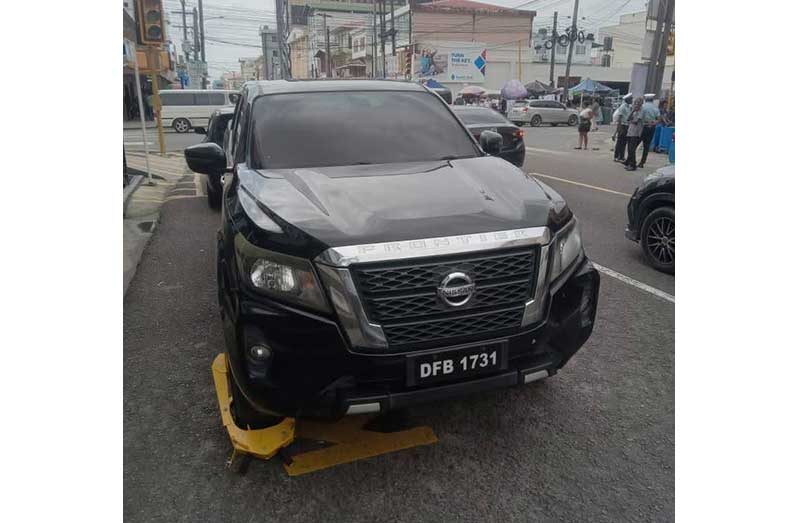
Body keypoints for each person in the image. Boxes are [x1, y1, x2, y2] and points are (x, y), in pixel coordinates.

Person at [638, 93, 659, 168]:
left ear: (645, 99)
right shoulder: (655, 107)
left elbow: (639, 118)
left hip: (642, 127)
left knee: (635, 144)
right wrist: (652, 123)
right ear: (652, 100)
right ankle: (642, 163)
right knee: (646, 146)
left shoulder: (642, 107)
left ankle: (631, 160)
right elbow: (658, 119)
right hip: (651, 128)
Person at [612, 93, 633, 163]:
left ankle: (621, 156)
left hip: (627, 126)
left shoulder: (629, 107)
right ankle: (616, 156)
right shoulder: (623, 107)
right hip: (623, 126)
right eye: (631, 99)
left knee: (624, 142)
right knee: (619, 142)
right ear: (628, 99)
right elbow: (620, 118)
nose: (632, 100)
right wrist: (619, 128)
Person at [625, 97, 644, 171]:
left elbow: (636, 121)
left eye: (638, 103)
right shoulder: (634, 111)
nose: (636, 105)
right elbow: (628, 118)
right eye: (635, 103)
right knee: (629, 149)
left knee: (632, 149)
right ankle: (629, 162)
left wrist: (630, 121)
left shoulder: (641, 111)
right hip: (630, 132)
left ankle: (633, 164)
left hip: (636, 133)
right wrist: (632, 111)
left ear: (641, 104)